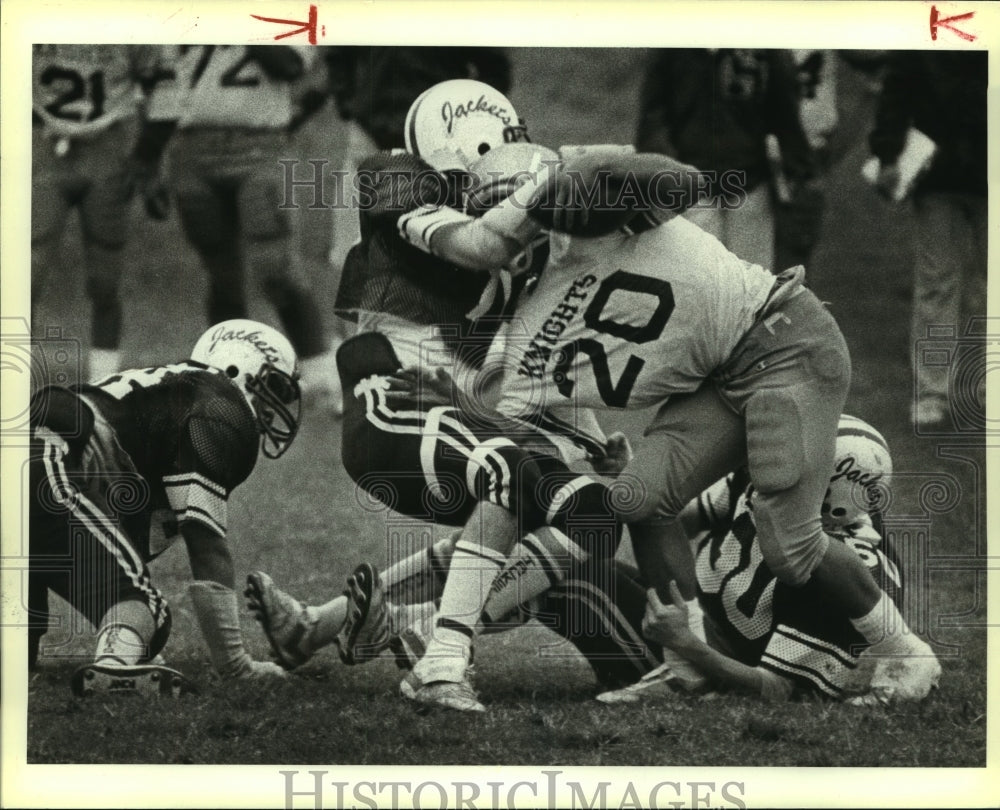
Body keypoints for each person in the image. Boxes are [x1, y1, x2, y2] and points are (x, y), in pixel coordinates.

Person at [401, 133, 938, 708]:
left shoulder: (590, 212)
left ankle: (906, 653)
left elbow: (682, 178)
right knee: (637, 496)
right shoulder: (523, 335)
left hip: (785, 343)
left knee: (791, 544)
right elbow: (524, 454)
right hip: (721, 379)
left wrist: (589, 172)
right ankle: (687, 665)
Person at [29, 319, 300, 696]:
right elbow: (204, 541)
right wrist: (237, 667)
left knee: (18, 650)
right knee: (144, 608)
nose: (276, 408)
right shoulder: (219, 405)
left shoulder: (169, 391)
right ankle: (113, 667)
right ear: (240, 369)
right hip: (46, 463)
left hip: (33, 461)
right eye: (274, 387)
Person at [600, 415, 941, 705]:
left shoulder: (847, 575)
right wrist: (635, 482)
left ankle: (688, 676)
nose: (771, 471)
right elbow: (678, 518)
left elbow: (777, 688)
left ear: (829, 502)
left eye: (800, 475)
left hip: (707, 654)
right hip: (687, 611)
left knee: (581, 582)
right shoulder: (770, 482)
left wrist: (685, 644)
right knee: (593, 564)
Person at [146, 45, 341, 411]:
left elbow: (289, 65)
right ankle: (232, 380)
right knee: (221, 274)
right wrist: (147, 157)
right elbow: (160, 82)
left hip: (259, 146)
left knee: (276, 267)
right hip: (191, 149)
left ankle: (319, 375)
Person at [867, 51, 988, 430]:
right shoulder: (929, 31)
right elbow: (897, 90)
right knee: (937, 285)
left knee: (954, 286)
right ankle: (932, 393)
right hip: (938, 174)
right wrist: (888, 154)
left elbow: (896, 88)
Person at [31, 44, 162, 381]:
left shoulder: (130, 26)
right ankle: (11, 378)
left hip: (108, 149)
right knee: (24, 274)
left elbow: (158, 89)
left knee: (105, 279)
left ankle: (103, 381)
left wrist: (147, 160)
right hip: (42, 146)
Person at [635, 48, 816, 270]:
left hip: (749, 183)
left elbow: (785, 111)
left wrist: (799, 171)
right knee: (696, 280)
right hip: (691, 188)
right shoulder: (672, 45)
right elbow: (653, 118)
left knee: (752, 284)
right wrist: (669, 177)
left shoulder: (763, 45)